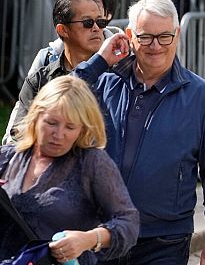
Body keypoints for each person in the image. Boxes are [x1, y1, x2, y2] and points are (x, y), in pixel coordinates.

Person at [74, 0, 205, 265]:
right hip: (102, 233)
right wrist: (98, 62)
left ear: (178, 34)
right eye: (146, 36)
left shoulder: (202, 96)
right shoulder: (104, 83)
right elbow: (57, 101)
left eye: (165, 36)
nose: (156, 46)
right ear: (129, 35)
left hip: (165, 241)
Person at [0, 76, 140, 263]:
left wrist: (89, 239)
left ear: (82, 129)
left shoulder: (92, 163)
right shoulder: (8, 157)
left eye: (70, 127)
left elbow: (129, 224)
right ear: (36, 116)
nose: (58, 135)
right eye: (51, 123)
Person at [4, 0, 115, 143]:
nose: (97, 28)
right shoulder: (40, 78)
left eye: (101, 22)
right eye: (87, 23)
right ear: (63, 30)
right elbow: (17, 136)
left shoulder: (117, 74)